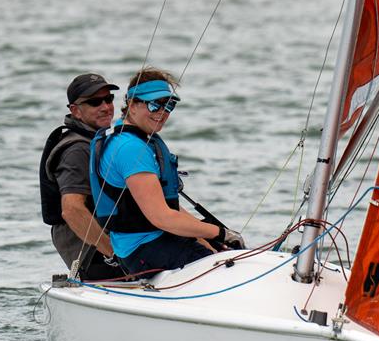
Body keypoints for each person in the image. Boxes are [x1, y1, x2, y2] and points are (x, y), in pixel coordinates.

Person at [89, 67, 244, 276]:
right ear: (132, 105)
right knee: (229, 272)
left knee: (230, 257)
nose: (162, 113)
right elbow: (162, 218)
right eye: (155, 105)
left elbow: (168, 208)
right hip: (143, 251)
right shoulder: (130, 148)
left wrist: (207, 239)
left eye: (169, 105)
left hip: (156, 240)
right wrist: (221, 233)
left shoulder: (139, 140)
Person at [40, 73, 126, 280]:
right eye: (95, 102)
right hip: (89, 251)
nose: (106, 107)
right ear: (75, 111)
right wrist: (115, 255)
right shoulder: (77, 150)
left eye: (109, 99)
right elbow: (72, 210)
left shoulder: (98, 140)